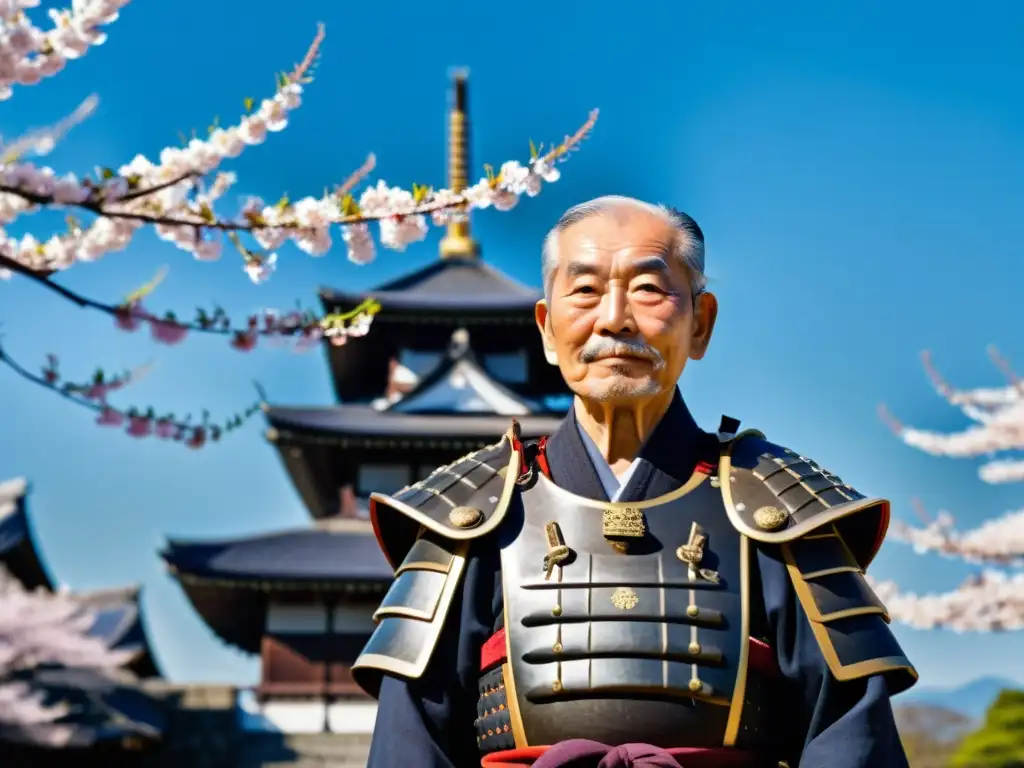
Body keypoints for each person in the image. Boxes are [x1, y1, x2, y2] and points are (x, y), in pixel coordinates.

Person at [353, 196, 917, 768]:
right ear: (548, 330)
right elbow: (411, 742)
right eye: (585, 291)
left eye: (649, 289)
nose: (614, 318)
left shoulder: (778, 505)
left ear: (701, 324)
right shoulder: (471, 513)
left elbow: (850, 738)